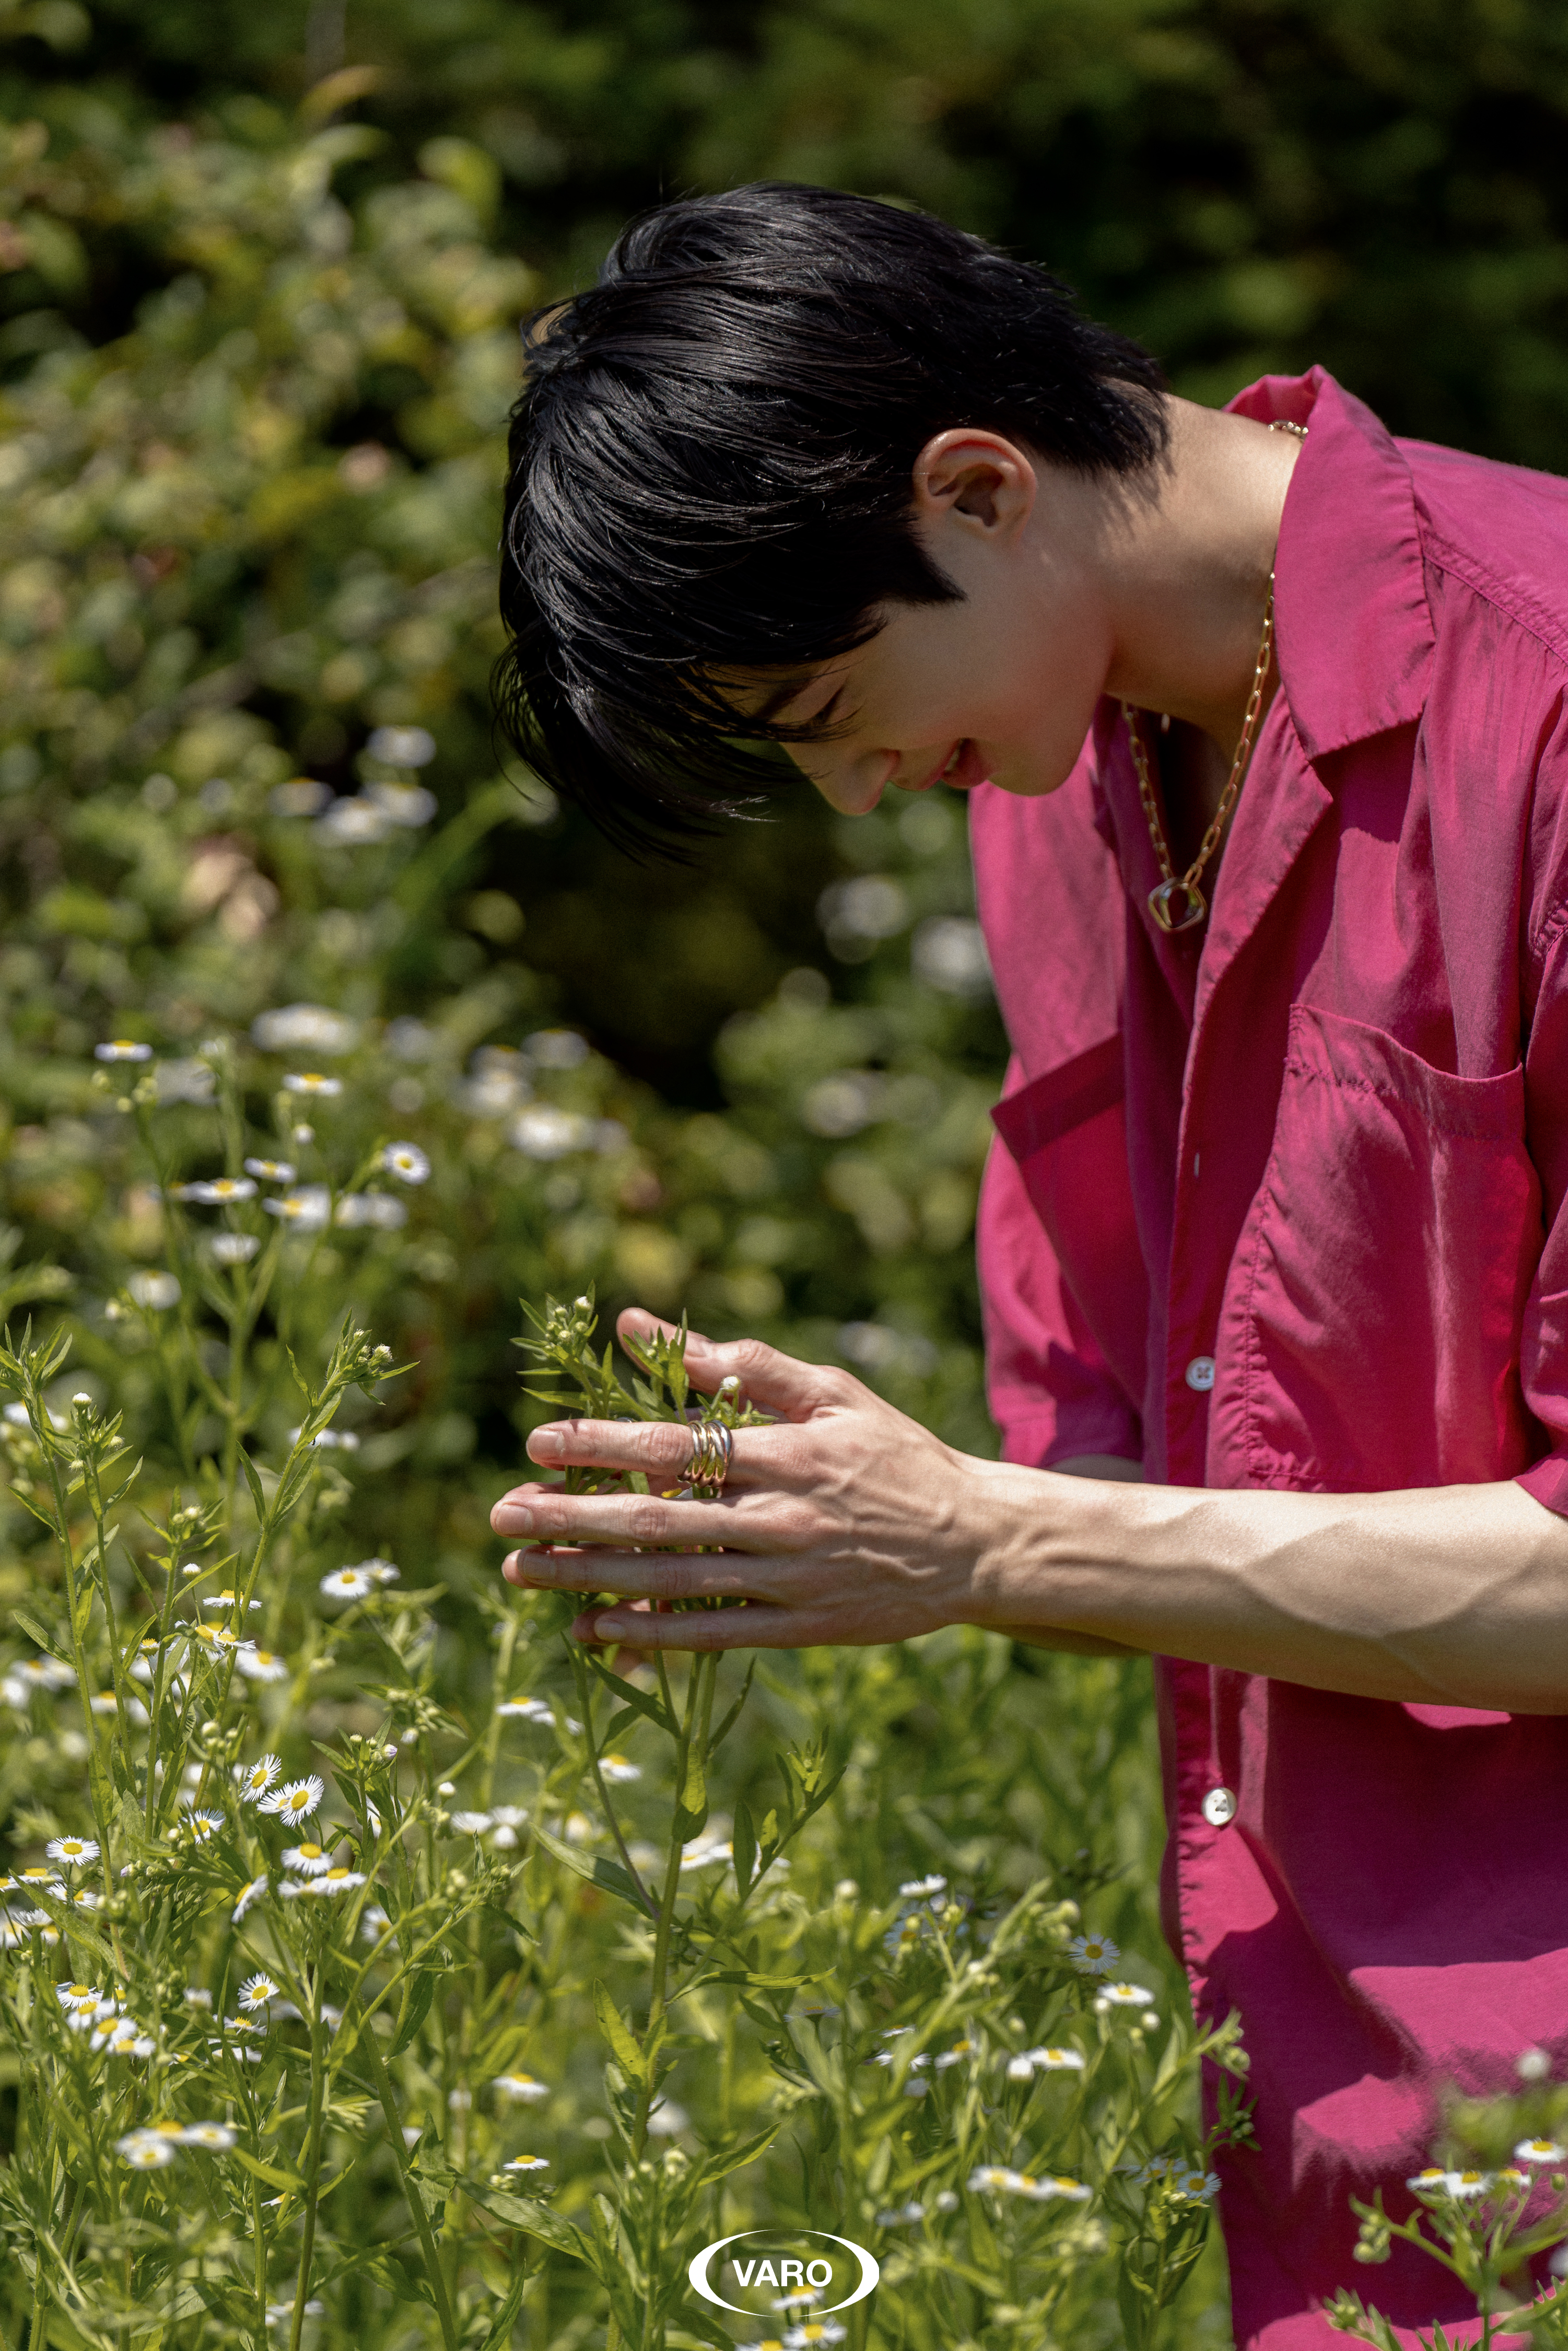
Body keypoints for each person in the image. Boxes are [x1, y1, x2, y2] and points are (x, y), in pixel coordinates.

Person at [487, 182, 1568, 2348]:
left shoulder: (1540, 707)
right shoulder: (1054, 775)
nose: (861, 794)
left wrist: (983, 1539)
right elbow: (1147, 1450)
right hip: (1329, 2121)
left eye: (823, 703)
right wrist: (871, 1528)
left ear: (977, 488)